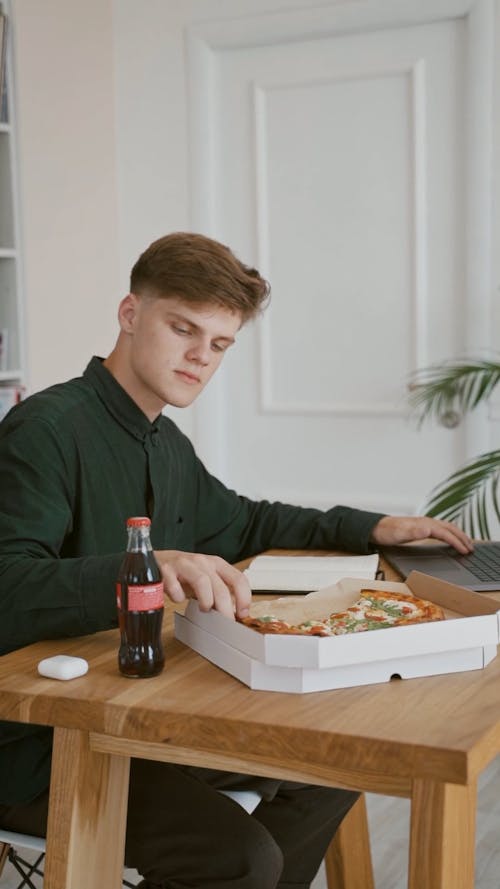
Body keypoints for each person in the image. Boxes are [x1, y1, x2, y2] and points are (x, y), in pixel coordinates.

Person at [0, 232, 472, 889]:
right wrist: (148, 568)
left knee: (329, 769)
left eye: (219, 343)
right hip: (37, 742)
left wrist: (372, 525)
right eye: (183, 328)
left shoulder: (166, 443)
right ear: (130, 315)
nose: (200, 356)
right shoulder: (45, 431)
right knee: (239, 858)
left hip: (137, 715)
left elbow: (247, 519)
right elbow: (7, 586)